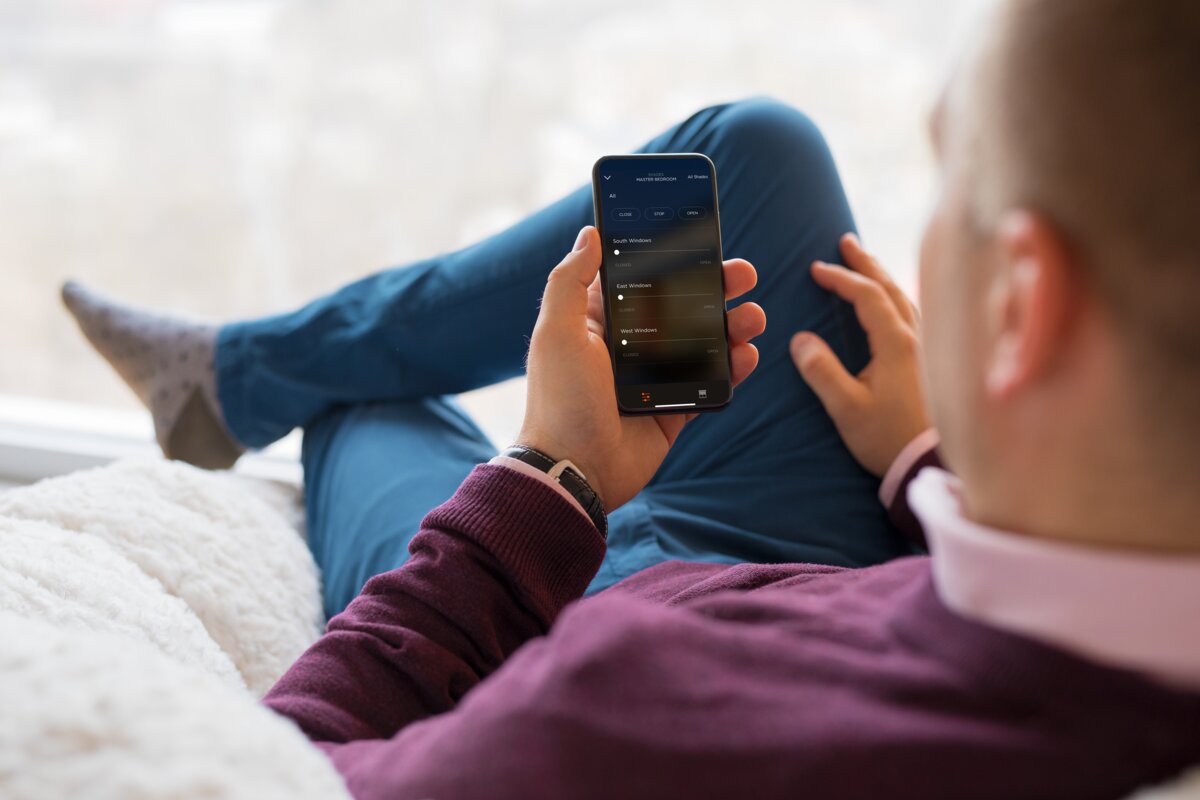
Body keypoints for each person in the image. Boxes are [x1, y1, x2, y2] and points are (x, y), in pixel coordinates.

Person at [63, 0, 1200, 796]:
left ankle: (250, 379)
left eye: (957, 187)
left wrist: (551, 478)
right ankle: (238, 372)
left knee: (370, 407)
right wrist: (924, 460)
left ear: (1019, 310)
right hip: (860, 564)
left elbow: (284, 772)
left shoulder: (629, 714)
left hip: (575, 618)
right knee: (750, 149)